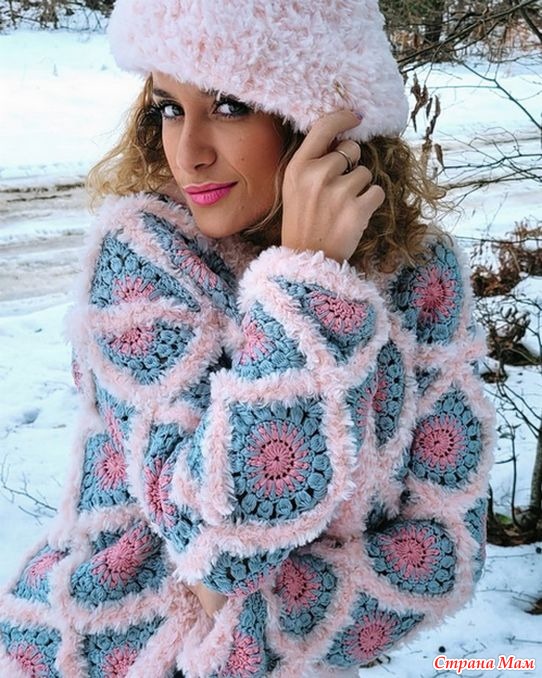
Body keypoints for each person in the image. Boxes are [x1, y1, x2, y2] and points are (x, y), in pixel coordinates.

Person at [0, 1, 494, 676]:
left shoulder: (419, 273)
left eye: (229, 106)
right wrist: (307, 286)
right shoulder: (142, 257)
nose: (189, 152)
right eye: (169, 108)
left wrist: (234, 623)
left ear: (321, 118)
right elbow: (219, 545)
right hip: (106, 656)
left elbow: (444, 559)